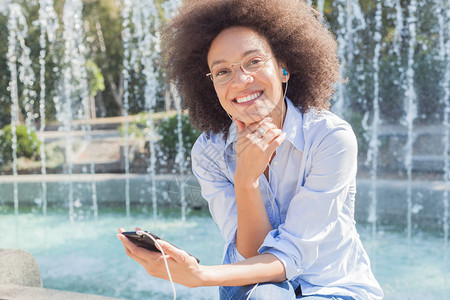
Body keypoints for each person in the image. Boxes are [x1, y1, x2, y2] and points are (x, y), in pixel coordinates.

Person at [117, 0, 384, 299]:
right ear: (212, 87)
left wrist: (199, 275)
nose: (241, 81)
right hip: (255, 287)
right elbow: (252, 252)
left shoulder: (330, 138)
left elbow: (292, 255)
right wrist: (246, 179)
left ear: (283, 68)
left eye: (254, 62)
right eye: (222, 72)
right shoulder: (210, 153)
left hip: (333, 287)